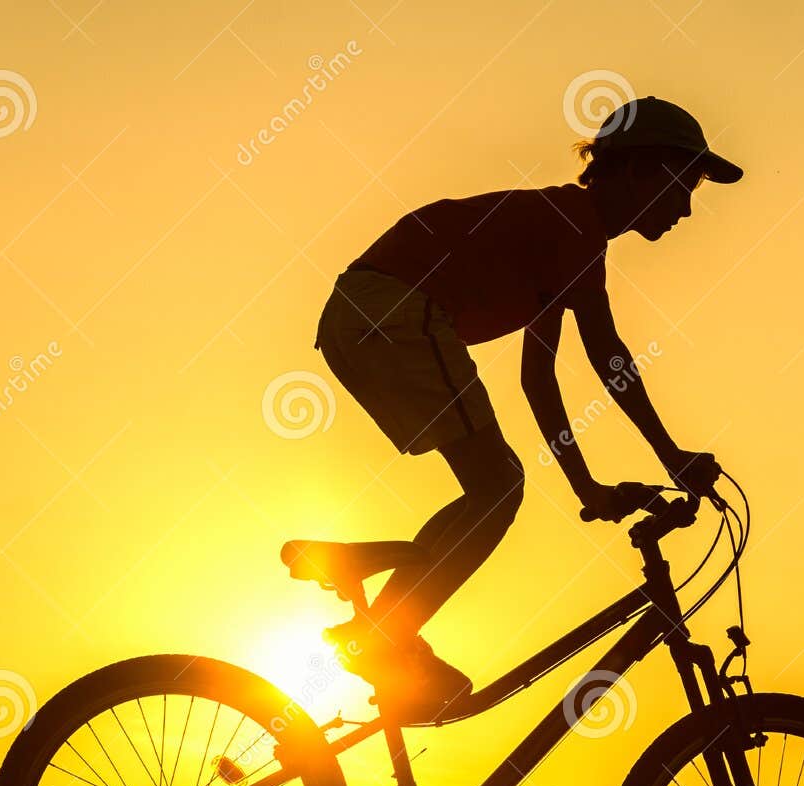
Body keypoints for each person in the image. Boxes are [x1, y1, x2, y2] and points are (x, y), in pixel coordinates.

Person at [312, 95, 738, 718]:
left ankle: (383, 631)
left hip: (367, 316)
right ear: (636, 170)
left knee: (491, 488)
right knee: (497, 486)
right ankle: (383, 637)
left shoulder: (564, 236)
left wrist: (585, 486)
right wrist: (671, 455)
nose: (686, 208)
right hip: (392, 310)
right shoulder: (573, 226)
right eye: (683, 185)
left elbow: (539, 378)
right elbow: (608, 357)